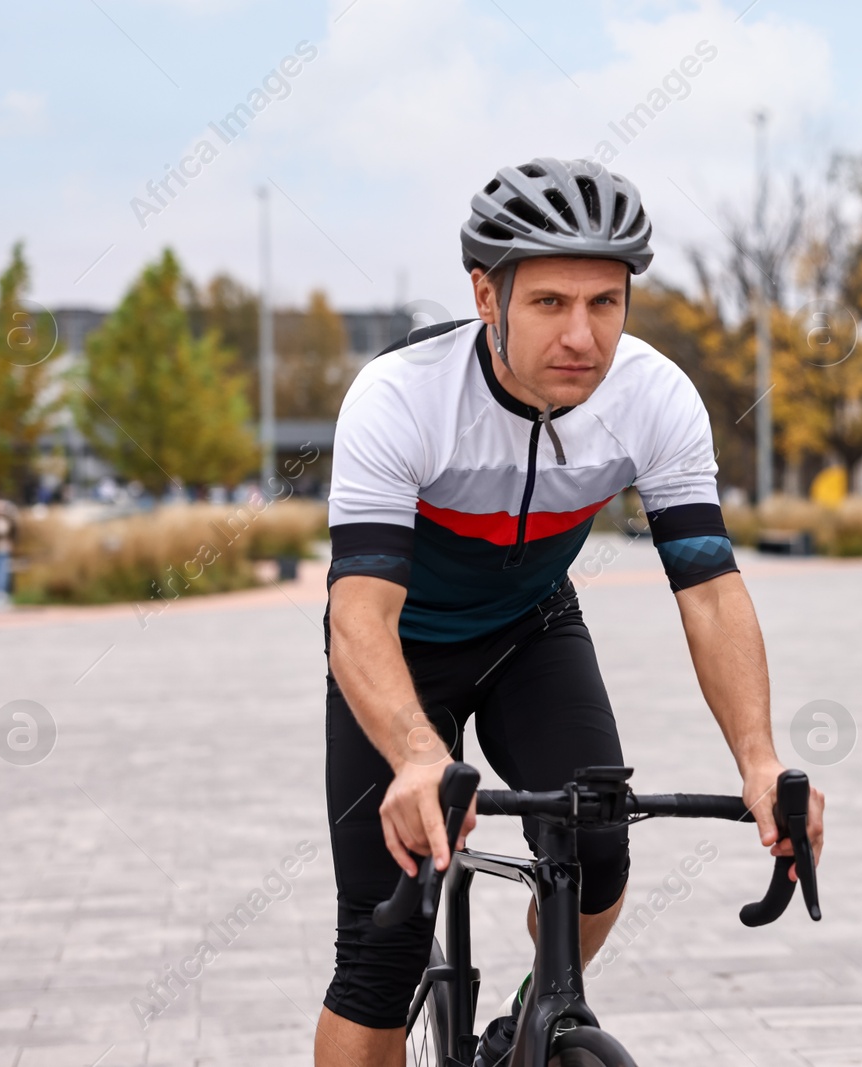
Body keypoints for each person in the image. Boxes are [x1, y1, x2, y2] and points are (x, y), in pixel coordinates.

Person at [316, 157, 825, 1067]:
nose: (583, 336)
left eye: (605, 303)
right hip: (402, 650)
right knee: (381, 949)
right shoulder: (400, 397)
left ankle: (529, 1020)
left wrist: (760, 759)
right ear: (486, 295)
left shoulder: (654, 397)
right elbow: (358, 613)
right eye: (550, 302)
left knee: (600, 845)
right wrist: (417, 756)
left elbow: (708, 588)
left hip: (529, 630)